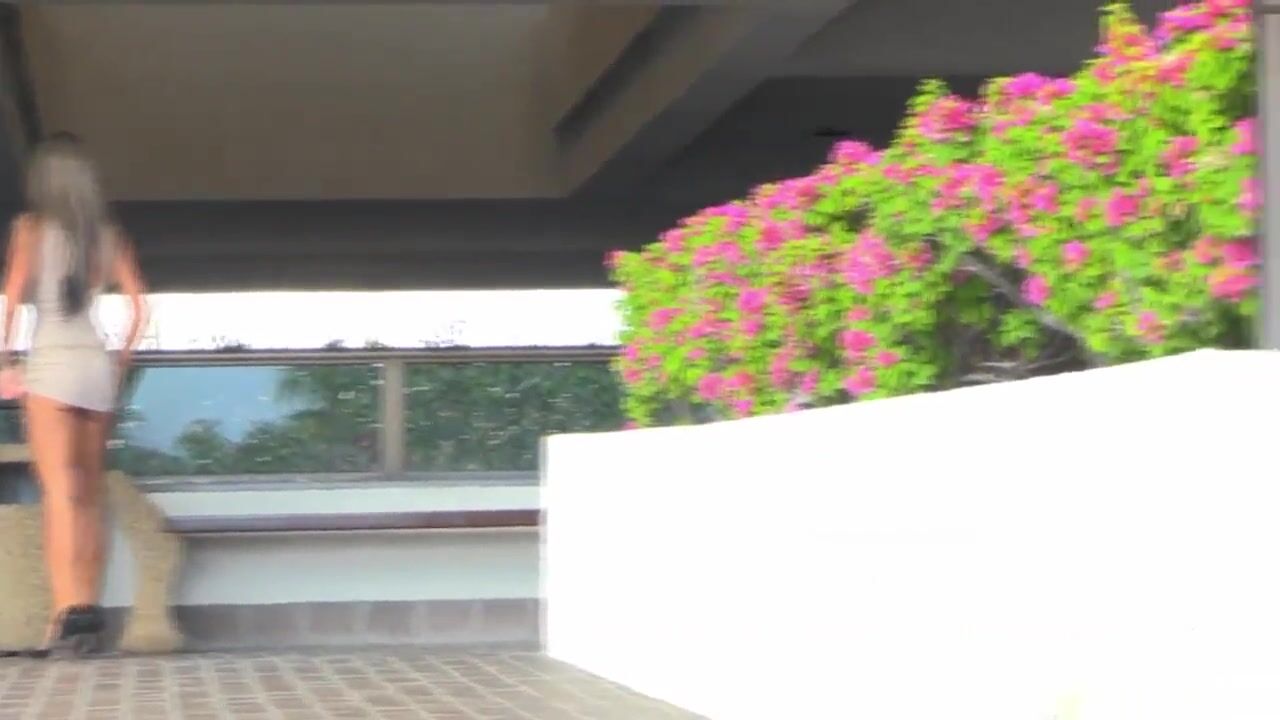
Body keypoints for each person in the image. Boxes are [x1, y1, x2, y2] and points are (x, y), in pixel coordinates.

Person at [0, 134, 148, 656]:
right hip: (95, 367)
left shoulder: (30, 228)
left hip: (52, 367)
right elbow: (140, 307)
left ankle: (64, 616)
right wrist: (120, 361)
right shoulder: (107, 235)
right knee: (88, 495)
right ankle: (88, 612)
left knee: (59, 493)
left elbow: (11, 301)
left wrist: (5, 360)